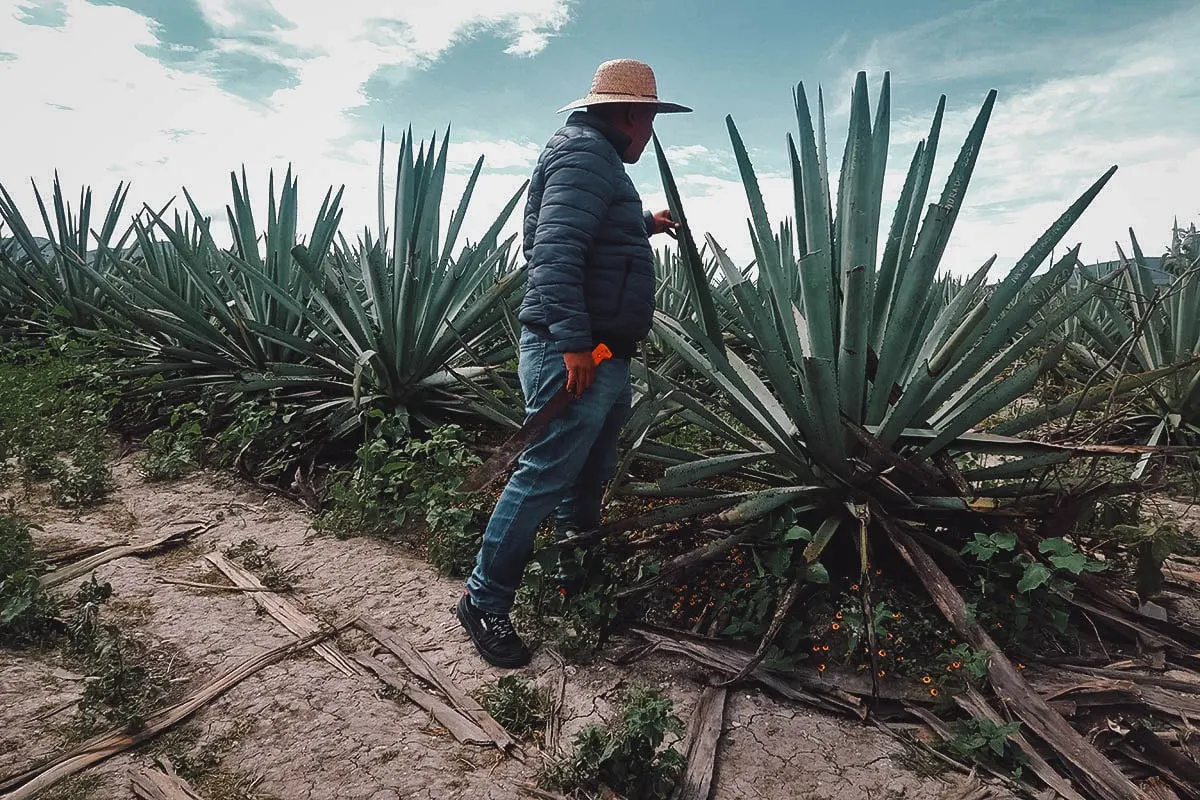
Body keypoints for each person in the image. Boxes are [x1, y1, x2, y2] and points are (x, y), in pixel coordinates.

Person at [457, 59, 692, 667]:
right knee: (544, 475)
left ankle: (572, 572)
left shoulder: (594, 156)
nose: (651, 134)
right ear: (631, 114)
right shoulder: (588, 154)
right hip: (579, 352)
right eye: (651, 120)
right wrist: (570, 344)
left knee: (588, 471)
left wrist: (646, 223)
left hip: (604, 351)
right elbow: (555, 250)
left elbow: (595, 232)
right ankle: (483, 601)